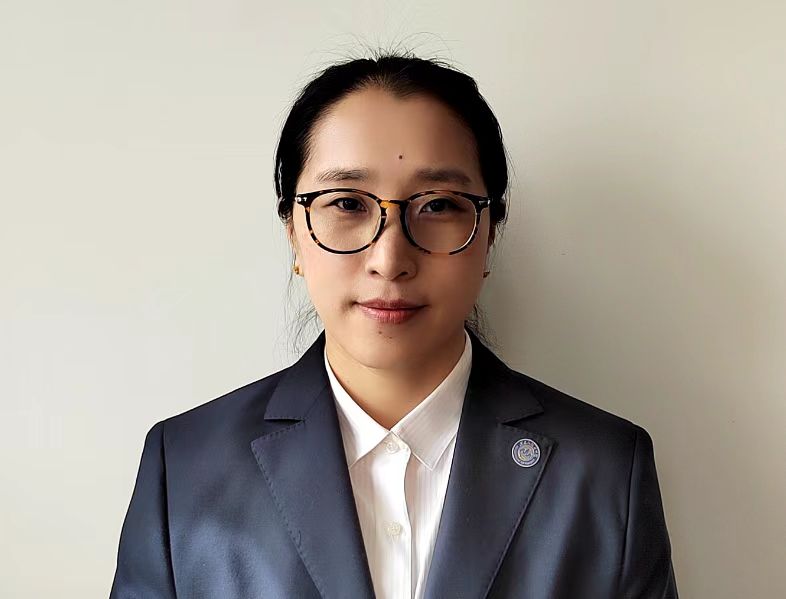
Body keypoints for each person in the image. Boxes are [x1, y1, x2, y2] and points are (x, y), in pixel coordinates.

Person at [109, 51, 678, 599]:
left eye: (438, 205)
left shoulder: (605, 470)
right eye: (346, 203)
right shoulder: (184, 468)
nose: (390, 259)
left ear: (490, 234)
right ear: (293, 232)